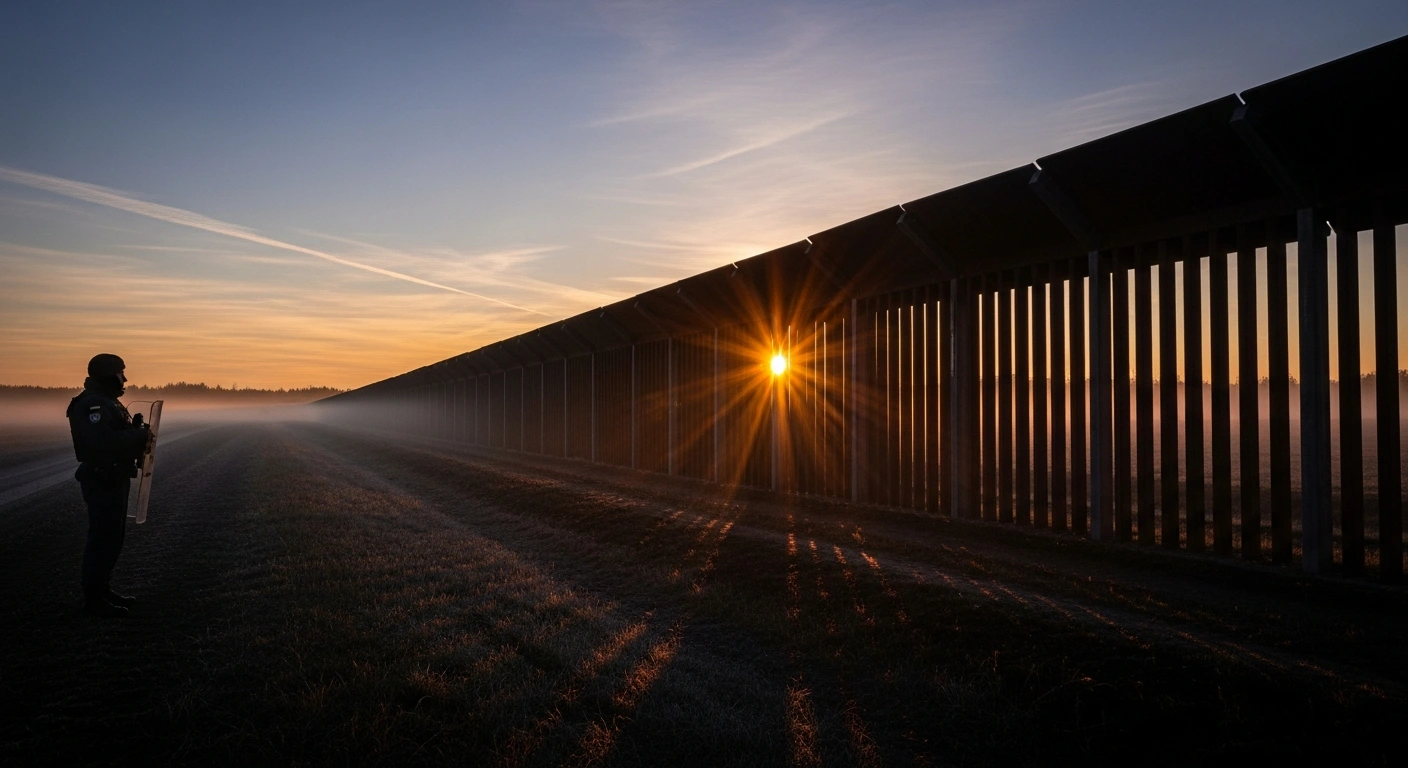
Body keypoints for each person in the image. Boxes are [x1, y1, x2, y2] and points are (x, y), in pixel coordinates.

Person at [65, 353, 150, 618]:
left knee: (113, 538)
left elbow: (113, 436)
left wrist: (132, 428)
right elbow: (102, 442)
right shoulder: (93, 405)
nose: (124, 378)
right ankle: (93, 600)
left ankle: (103, 591)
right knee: (102, 539)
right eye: (119, 373)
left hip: (114, 477)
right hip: (102, 478)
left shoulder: (107, 403)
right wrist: (139, 435)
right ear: (106, 375)